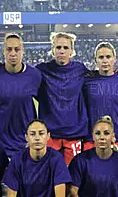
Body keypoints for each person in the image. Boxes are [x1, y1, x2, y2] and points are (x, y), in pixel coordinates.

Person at [4, 119, 72, 197]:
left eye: (41, 133)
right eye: (32, 134)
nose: (37, 138)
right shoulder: (17, 160)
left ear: (48, 136)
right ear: (26, 137)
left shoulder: (56, 159)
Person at [0, 33, 42, 159]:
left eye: (17, 49)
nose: (13, 53)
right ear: (4, 51)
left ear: (23, 51)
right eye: (9, 49)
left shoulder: (35, 75)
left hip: (26, 144)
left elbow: (47, 103)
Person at [36, 32, 88, 165]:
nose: (62, 51)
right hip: (50, 134)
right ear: (53, 50)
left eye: (65, 48)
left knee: (73, 176)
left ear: (72, 51)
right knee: (50, 175)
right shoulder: (42, 70)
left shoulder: (80, 69)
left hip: (74, 133)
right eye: (58, 47)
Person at [83, 42, 118, 153]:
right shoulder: (86, 82)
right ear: (95, 60)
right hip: (91, 138)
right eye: (101, 57)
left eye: (108, 57)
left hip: (116, 137)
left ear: (114, 59)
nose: (104, 60)